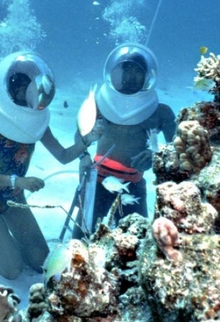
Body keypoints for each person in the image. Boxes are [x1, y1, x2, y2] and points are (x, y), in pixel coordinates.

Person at [0, 52, 100, 279]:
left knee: (41, 263)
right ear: (10, 92)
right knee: (12, 270)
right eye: (19, 89)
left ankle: (0, 239)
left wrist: (88, 140)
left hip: (13, 198)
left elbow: (63, 155)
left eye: (28, 89)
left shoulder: (36, 124)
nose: (25, 94)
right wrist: (17, 181)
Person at [73, 43, 176, 239]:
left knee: (134, 244)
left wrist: (156, 154)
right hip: (98, 181)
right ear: (113, 73)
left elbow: (176, 147)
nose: (130, 77)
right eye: (124, 71)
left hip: (133, 185)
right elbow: (79, 132)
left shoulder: (161, 113)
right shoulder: (99, 104)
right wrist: (83, 156)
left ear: (147, 76)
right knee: (81, 241)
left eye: (137, 72)